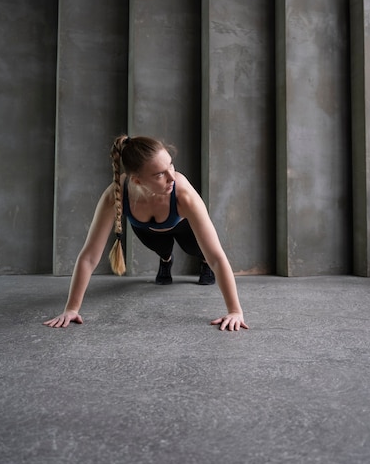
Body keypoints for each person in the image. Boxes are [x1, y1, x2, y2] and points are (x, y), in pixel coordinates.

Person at [43, 135, 248, 331]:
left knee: (196, 250)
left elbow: (217, 258)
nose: (171, 177)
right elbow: (88, 257)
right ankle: (166, 260)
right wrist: (71, 309)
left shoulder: (183, 194)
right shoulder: (115, 195)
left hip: (184, 227)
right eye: (160, 174)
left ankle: (198, 262)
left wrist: (235, 311)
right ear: (137, 181)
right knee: (162, 250)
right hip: (148, 231)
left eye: (170, 165)